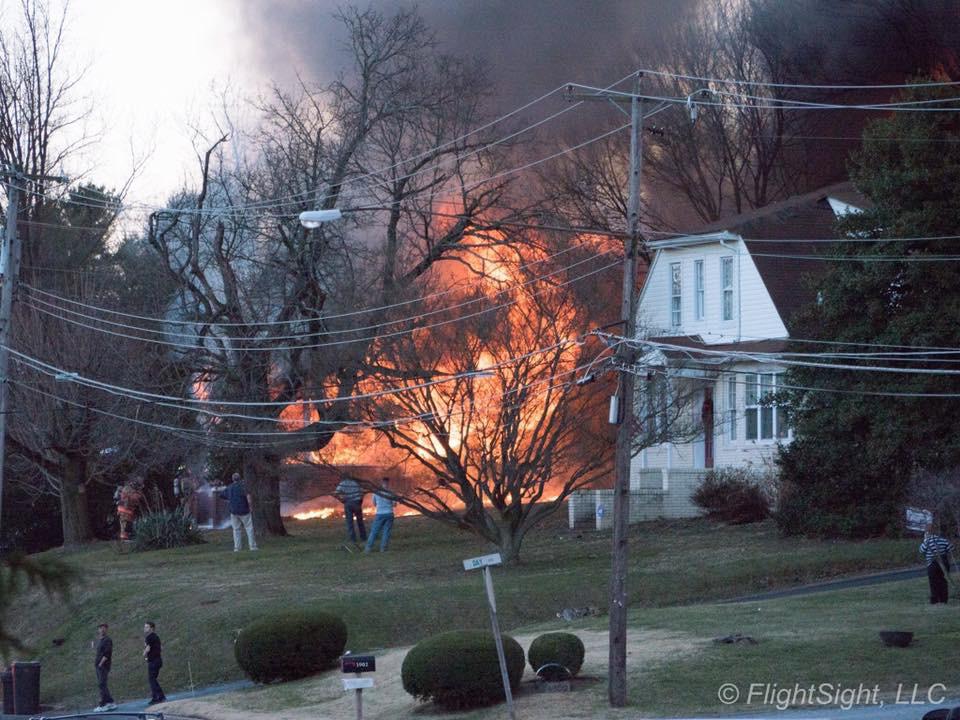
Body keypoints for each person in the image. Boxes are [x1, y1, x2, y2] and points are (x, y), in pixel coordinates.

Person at [219, 472, 258, 552]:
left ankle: (237, 548)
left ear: (233, 479)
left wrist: (230, 499)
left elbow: (222, 495)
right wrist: (250, 507)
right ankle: (252, 547)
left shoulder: (230, 487)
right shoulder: (243, 487)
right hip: (245, 510)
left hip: (234, 511)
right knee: (249, 528)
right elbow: (248, 497)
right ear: (240, 479)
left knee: (236, 530)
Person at [920, 522, 955, 604]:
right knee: (943, 580)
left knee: (933, 582)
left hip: (932, 564)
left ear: (927, 532)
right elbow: (951, 548)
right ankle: (944, 599)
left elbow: (921, 550)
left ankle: (935, 600)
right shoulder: (943, 540)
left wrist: (925, 540)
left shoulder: (927, 541)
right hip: (944, 562)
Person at [364, 477, 395, 553]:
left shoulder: (376, 492)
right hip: (389, 514)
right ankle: (383, 549)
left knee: (374, 531)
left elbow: (374, 503)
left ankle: (368, 549)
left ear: (382, 483)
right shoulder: (391, 492)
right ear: (388, 483)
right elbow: (394, 504)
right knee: (386, 531)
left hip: (380, 514)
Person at [334, 475, 366, 545]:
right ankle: (363, 537)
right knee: (360, 521)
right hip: (357, 502)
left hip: (348, 503)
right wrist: (360, 501)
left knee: (350, 522)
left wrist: (341, 500)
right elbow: (362, 492)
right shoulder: (356, 483)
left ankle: (353, 539)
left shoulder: (342, 483)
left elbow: (335, 493)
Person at [93, 623, 116, 712]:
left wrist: (101, 663)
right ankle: (110, 702)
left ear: (106, 630)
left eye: (103, 628)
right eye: (100, 628)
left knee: (102, 684)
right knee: (102, 684)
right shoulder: (100, 640)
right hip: (98, 665)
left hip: (103, 665)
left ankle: (103, 704)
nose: (102, 630)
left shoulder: (107, 640)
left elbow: (107, 653)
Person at [142, 621, 166, 705]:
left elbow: (148, 649)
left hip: (154, 661)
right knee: (153, 679)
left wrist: (144, 653)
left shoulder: (150, 637)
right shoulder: (156, 637)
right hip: (157, 660)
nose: (145, 628)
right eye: (145, 627)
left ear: (152, 628)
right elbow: (161, 648)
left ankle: (156, 697)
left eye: (147, 627)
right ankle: (161, 696)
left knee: (152, 679)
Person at [116, 476, 145, 541]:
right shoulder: (129, 489)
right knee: (125, 523)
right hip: (125, 509)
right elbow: (134, 498)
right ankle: (124, 538)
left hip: (128, 509)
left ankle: (126, 536)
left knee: (128, 523)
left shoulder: (131, 489)